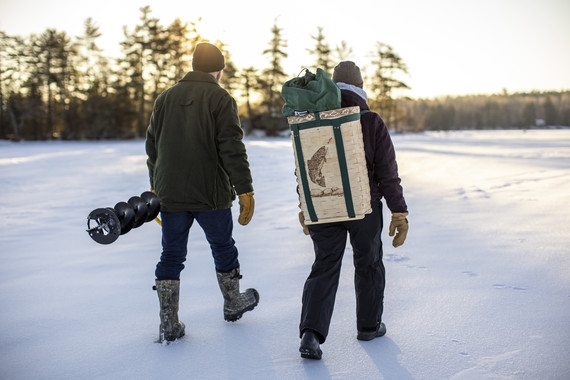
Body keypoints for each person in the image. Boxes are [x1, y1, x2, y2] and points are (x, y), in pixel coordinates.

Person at [145, 42, 259, 343]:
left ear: (194, 66)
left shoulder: (165, 98)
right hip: (211, 196)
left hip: (170, 195)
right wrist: (245, 189)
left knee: (171, 255)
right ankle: (233, 303)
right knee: (223, 247)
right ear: (218, 69)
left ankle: (168, 324)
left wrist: (156, 185)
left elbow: (152, 149)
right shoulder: (220, 97)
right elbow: (231, 147)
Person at [298, 61, 409, 359]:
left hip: (323, 205)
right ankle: (369, 326)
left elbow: (304, 168)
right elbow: (387, 172)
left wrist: (304, 206)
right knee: (369, 262)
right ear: (360, 86)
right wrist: (398, 210)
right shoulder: (370, 120)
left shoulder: (312, 120)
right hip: (364, 207)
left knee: (324, 265)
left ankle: (311, 335)